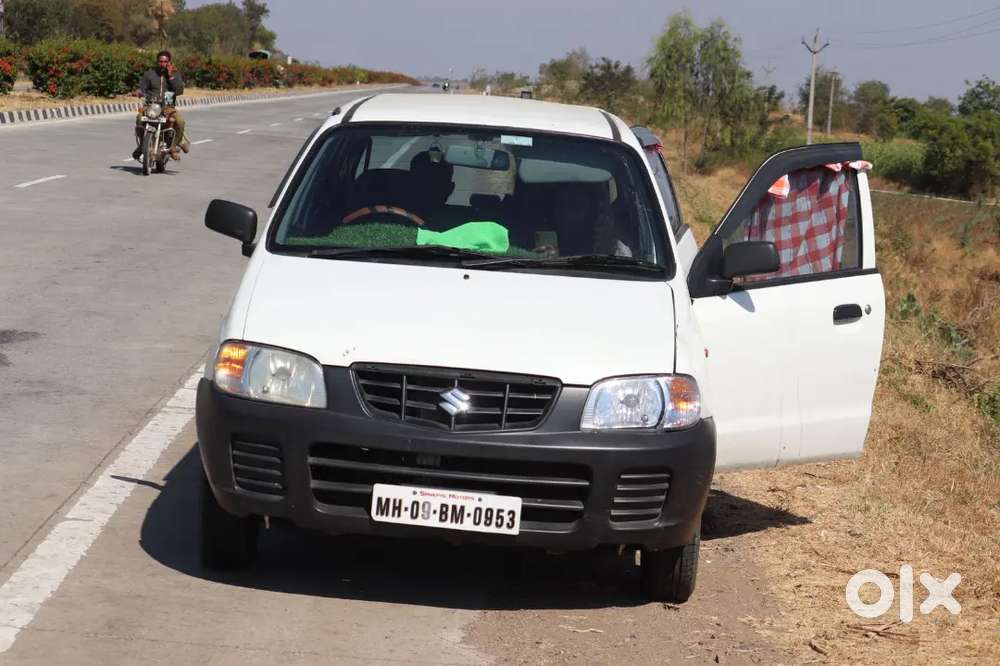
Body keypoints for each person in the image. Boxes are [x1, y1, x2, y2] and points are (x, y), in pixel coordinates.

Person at [132, 50, 190, 160]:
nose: (162, 64)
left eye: (165, 62)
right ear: (157, 62)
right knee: (139, 118)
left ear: (169, 62)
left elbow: (179, 90)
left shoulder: (175, 74)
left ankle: (172, 147)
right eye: (160, 61)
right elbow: (142, 87)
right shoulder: (149, 74)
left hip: (168, 107)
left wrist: (170, 75)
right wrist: (138, 92)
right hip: (151, 106)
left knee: (180, 122)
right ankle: (141, 145)